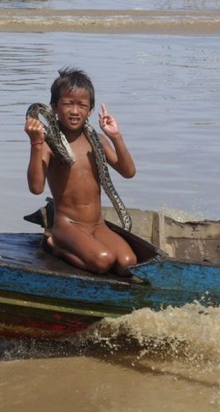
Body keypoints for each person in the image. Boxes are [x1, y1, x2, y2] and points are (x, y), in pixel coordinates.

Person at [25, 67, 137, 276]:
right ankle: (57, 244)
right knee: (103, 261)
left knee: (128, 263)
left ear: (91, 110)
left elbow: (128, 172)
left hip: (97, 224)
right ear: (54, 107)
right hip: (68, 225)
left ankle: (86, 248)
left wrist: (115, 136)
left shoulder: (97, 141)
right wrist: (36, 143)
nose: (75, 111)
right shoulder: (49, 145)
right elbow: (36, 188)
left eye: (82, 105)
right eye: (68, 104)